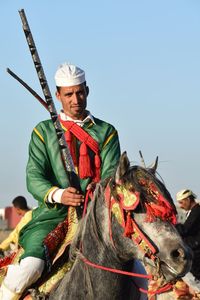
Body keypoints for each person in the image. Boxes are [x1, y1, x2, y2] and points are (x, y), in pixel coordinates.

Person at [0, 63, 121, 299]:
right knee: (26, 271)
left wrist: (91, 197)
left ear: (87, 90)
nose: (76, 99)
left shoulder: (107, 132)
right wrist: (59, 194)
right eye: (69, 94)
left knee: (141, 277)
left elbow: (110, 178)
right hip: (52, 216)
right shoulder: (43, 132)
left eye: (80, 92)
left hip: (96, 216)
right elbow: (34, 177)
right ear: (58, 95)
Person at [176, 189, 200, 293]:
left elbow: (186, 229)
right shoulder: (193, 211)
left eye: (181, 202)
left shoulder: (197, 211)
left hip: (196, 251)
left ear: (188, 199)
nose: (180, 206)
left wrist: (171, 226)